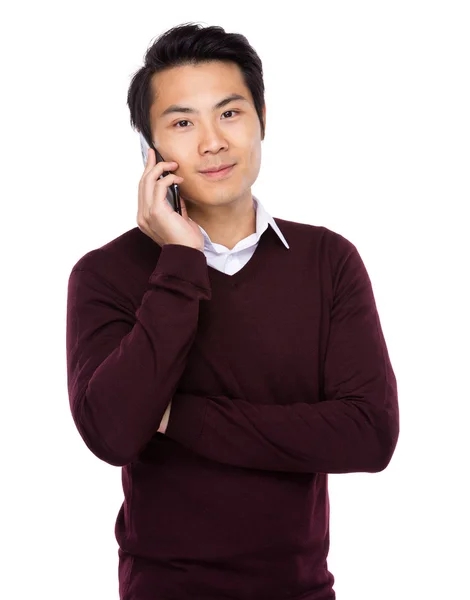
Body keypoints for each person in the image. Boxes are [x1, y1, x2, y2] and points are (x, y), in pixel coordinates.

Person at [65, 22, 399, 600]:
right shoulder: (104, 275)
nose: (212, 142)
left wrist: (176, 417)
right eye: (182, 123)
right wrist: (179, 258)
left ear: (262, 118)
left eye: (230, 113)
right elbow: (114, 433)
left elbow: (369, 435)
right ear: (150, 151)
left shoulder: (327, 260)